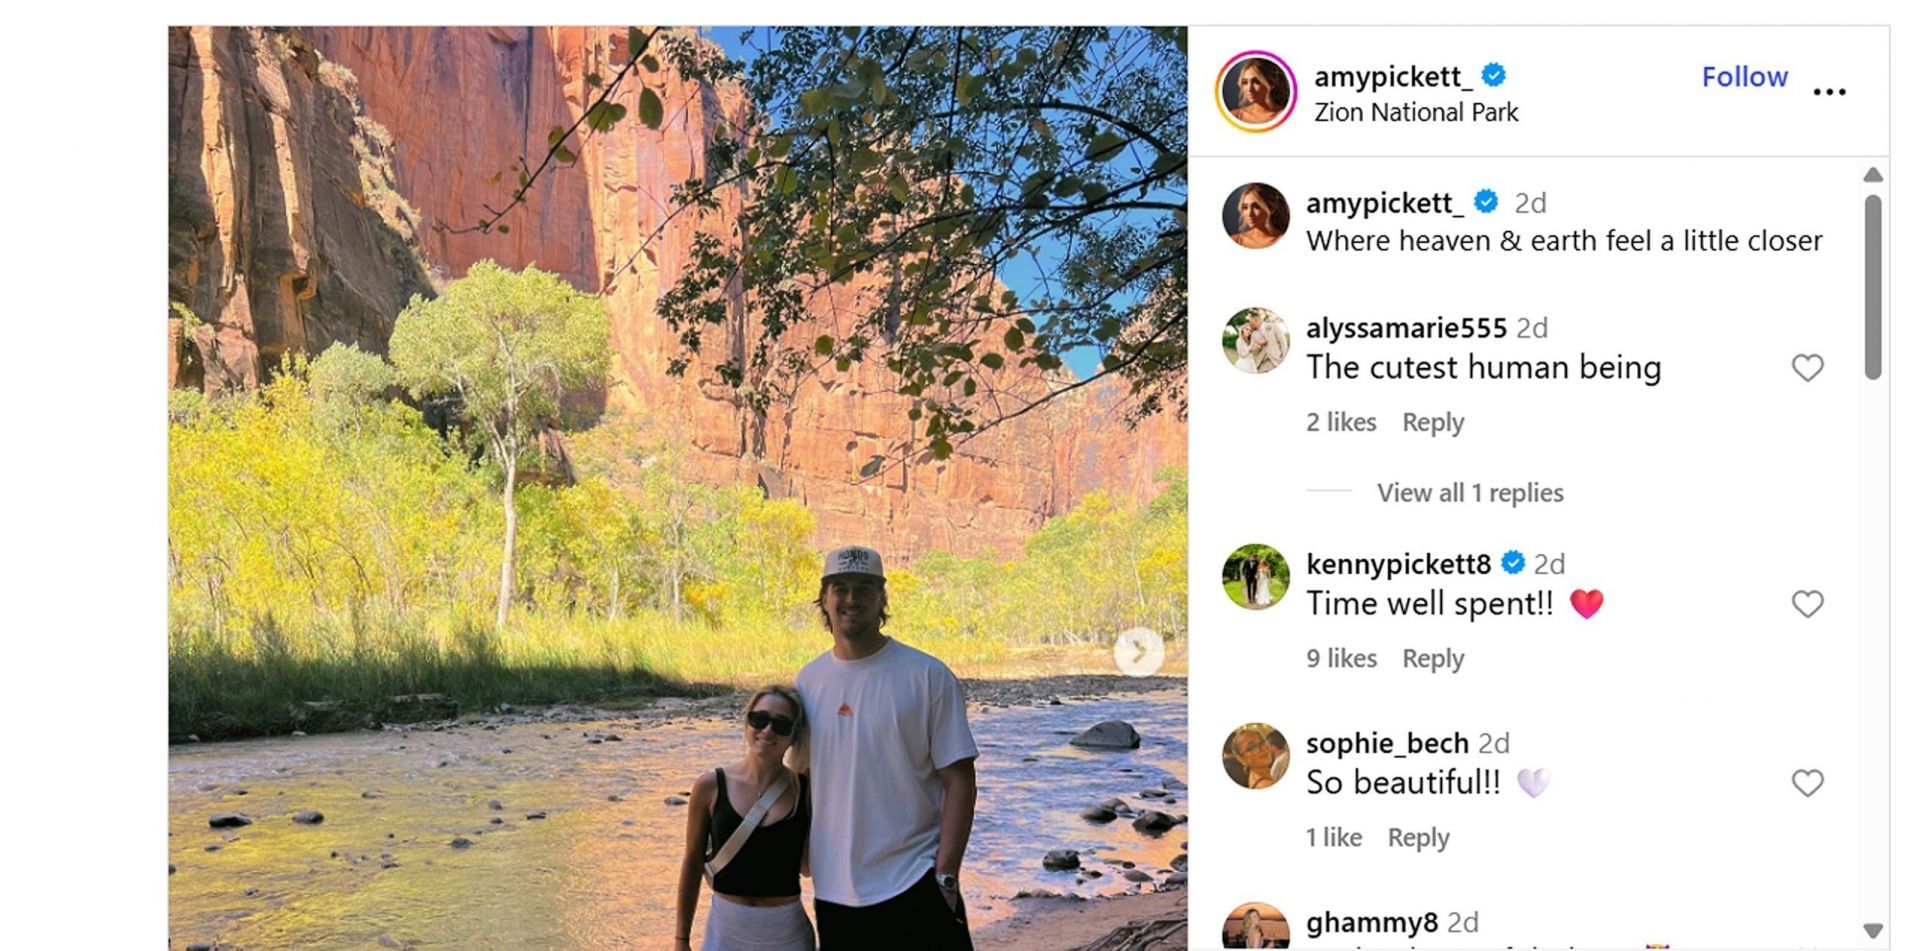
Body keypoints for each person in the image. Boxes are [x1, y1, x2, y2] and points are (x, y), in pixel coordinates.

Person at [796, 546, 978, 950]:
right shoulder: (808, 682)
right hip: (835, 890)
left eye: (864, 588)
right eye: (839, 588)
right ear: (824, 599)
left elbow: (960, 781)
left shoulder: (928, 676)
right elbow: (801, 777)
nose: (851, 598)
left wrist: (946, 875)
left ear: (882, 598)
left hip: (916, 881)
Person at [674, 686, 815, 951]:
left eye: (781, 725)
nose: (767, 731)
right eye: (759, 719)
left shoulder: (805, 790)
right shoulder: (710, 786)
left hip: (787, 936)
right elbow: (692, 862)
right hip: (724, 936)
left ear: (794, 736)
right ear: (747, 722)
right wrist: (681, 939)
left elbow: (809, 867)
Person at [1230, 58, 1289, 124]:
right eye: (1245, 82)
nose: (1249, 89)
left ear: (1271, 83)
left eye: (1256, 82)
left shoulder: (1285, 115)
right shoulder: (1236, 116)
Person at [1230, 184, 1288, 248]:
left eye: (1256, 207)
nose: (1249, 214)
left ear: (1272, 209)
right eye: (1245, 207)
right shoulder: (1236, 240)